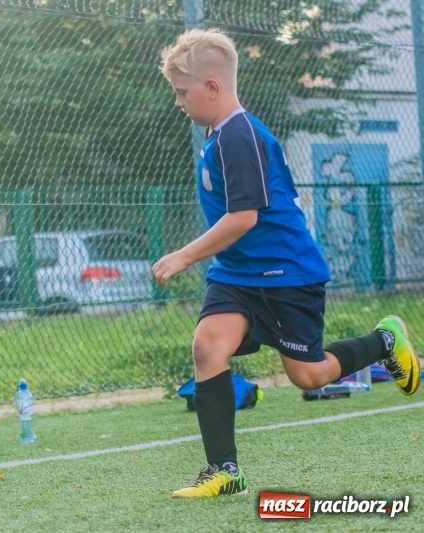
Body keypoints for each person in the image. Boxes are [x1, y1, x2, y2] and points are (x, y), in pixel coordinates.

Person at [152, 28, 420, 499]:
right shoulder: (218, 135)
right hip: (237, 275)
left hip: (284, 274)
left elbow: (244, 217)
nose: (179, 102)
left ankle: (385, 340)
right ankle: (223, 470)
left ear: (212, 88)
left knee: (309, 375)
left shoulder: (241, 135)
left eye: (182, 91)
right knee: (207, 345)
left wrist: (183, 255)